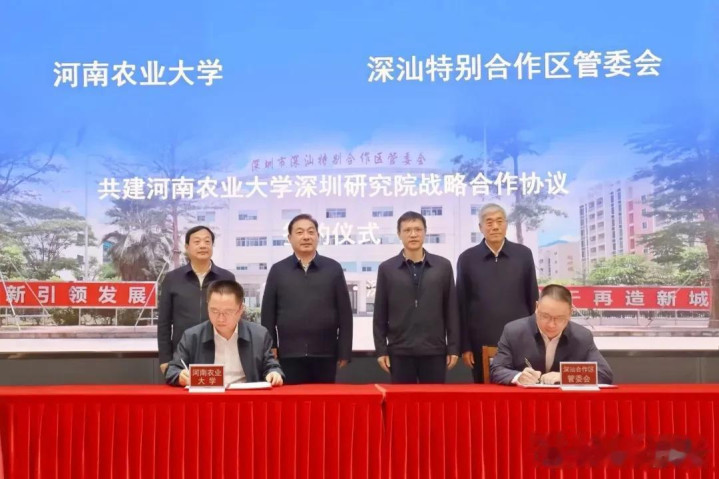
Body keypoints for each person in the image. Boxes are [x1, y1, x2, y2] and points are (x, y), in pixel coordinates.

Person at [261, 213, 353, 384]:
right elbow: (268, 313)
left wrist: (345, 350)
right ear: (290, 238)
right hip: (289, 354)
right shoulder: (278, 270)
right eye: (300, 232)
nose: (306, 237)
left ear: (318, 236)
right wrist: (270, 346)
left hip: (325, 354)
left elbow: (345, 314)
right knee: (293, 399)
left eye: (311, 232)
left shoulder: (333, 268)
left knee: (324, 399)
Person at [373, 211, 460, 383]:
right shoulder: (387, 268)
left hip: (434, 350)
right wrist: (381, 350)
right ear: (399, 234)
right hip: (399, 351)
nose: (413, 234)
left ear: (425, 232)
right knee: (402, 400)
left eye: (418, 229)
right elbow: (380, 313)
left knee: (434, 400)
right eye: (407, 230)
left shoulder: (442, 266)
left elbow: (451, 310)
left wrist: (453, 347)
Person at [457, 203, 539, 383]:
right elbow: (461, 304)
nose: (495, 226)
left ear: (506, 225)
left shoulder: (523, 254)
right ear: (481, 227)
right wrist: (465, 346)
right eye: (489, 222)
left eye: (499, 221)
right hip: (480, 340)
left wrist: (535, 338)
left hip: (520, 339)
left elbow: (533, 298)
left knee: (521, 388)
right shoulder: (467, 258)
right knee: (484, 392)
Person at [166, 280, 283, 387]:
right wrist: (180, 375)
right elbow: (173, 369)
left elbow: (271, 366)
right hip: (207, 397)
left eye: (228, 312)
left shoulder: (259, 335)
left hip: (245, 397)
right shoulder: (192, 336)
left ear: (240, 309)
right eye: (214, 311)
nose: (220, 318)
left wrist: (274, 373)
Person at [490, 284, 613, 385]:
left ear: (570, 313)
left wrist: (564, 376)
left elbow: (604, 374)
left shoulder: (582, 336)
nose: (551, 324)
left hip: (564, 403)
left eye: (559, 318)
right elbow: (497, 370)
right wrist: (518, 377)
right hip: (524, 402)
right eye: (545, 316)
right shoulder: (514, 331)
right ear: (537, 307)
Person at [158, 226, 235, 374]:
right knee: (182, 389)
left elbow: (235, 318)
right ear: (187, 247)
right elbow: (164, 323)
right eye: (197, 241)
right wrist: (165, 359)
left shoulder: (227, 278)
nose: (203, 246)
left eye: (207, 241)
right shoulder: (172, 278)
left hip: (219, 352)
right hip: (182, 354)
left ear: (212, 246)